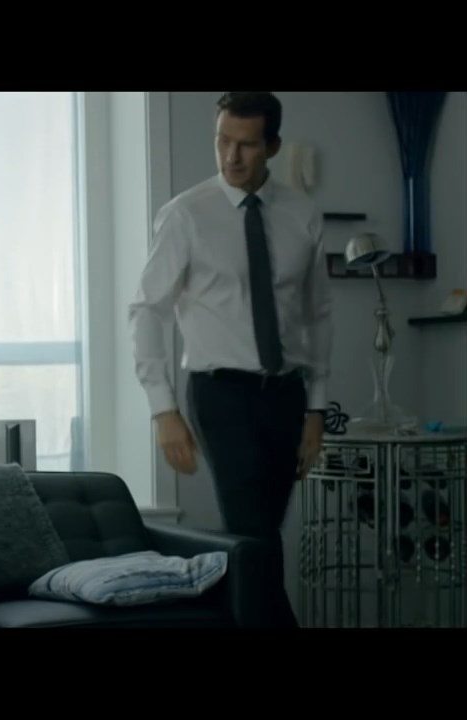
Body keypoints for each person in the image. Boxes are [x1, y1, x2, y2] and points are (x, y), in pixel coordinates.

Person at [129, 92, 332, 628]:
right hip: (219, 393)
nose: (231, 156)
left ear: (273, 146)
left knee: (262, 533)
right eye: (223, 141)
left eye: (246, 145)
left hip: (285, 395)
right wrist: (163, 410)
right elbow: (146, 310)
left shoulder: (303, 216)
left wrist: (316, 410)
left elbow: (317, 318)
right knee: (253, 531)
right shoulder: (186, 215)